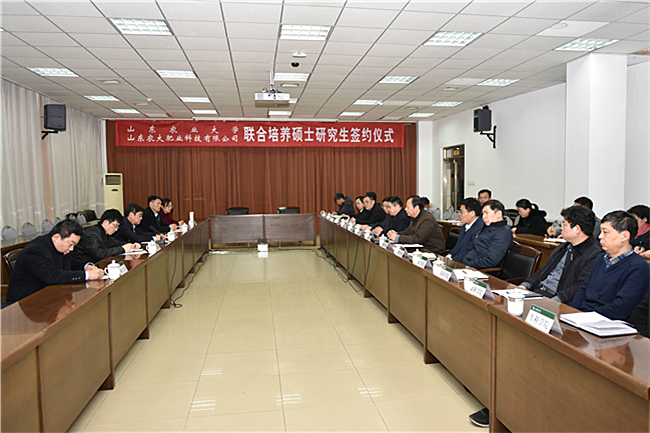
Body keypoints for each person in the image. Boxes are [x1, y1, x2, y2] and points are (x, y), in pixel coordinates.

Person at [570, 211, 650, 321]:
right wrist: (572, 312)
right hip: (583, 317)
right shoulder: (600, 258)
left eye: (605, 232)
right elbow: (584, 289)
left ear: (624, 236)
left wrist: (585, 316)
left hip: (606, 322)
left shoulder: (639, 267)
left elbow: (621, 308)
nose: (600, 236)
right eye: (600, 231)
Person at [6, 219, 105, 304]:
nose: (72, 249)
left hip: (49, 297)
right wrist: (86, 275)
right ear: (56, 237)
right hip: (26, 303)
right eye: (71, 244)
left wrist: (86, 266)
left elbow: (71, 263)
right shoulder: (35, 250)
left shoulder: (60, 247)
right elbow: (51, 276)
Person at [518, 206, 601, 303]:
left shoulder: (594, 254)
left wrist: (553, 302)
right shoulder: (563, 247)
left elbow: (581, 286)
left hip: (558, 299)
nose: (561, 228)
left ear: (577, 229)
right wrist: (525, 285)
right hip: (539, 292)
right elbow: (544, 271)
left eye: (564, 224)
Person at [71, 209, 140, 267]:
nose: (116, 229)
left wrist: (131, 245)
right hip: (84, 268)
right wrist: (123, 249)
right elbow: (99, 254)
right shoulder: (91, 234)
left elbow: (116, 244)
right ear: (105, 222)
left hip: (97, 265)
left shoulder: (105, 233)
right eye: (115, 225)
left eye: (117, 226)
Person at [461, 200, 513, 270]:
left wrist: (468, 265)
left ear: (498, 214)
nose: (483, 216)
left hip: (482, 270)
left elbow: (491, 261)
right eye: (483, 213)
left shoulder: (503, 232)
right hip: (468, 264)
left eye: (487, 213)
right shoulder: (488, 226)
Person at [447, 198, 484, 263]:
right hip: (456, 260)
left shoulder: (480, 228)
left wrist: (453, 260)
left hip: (466, 262)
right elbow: (458, 246)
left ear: (472, 213)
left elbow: (470, 251)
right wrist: (449, 256)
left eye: (462, 212)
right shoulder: (465, 226)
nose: (460, 214)